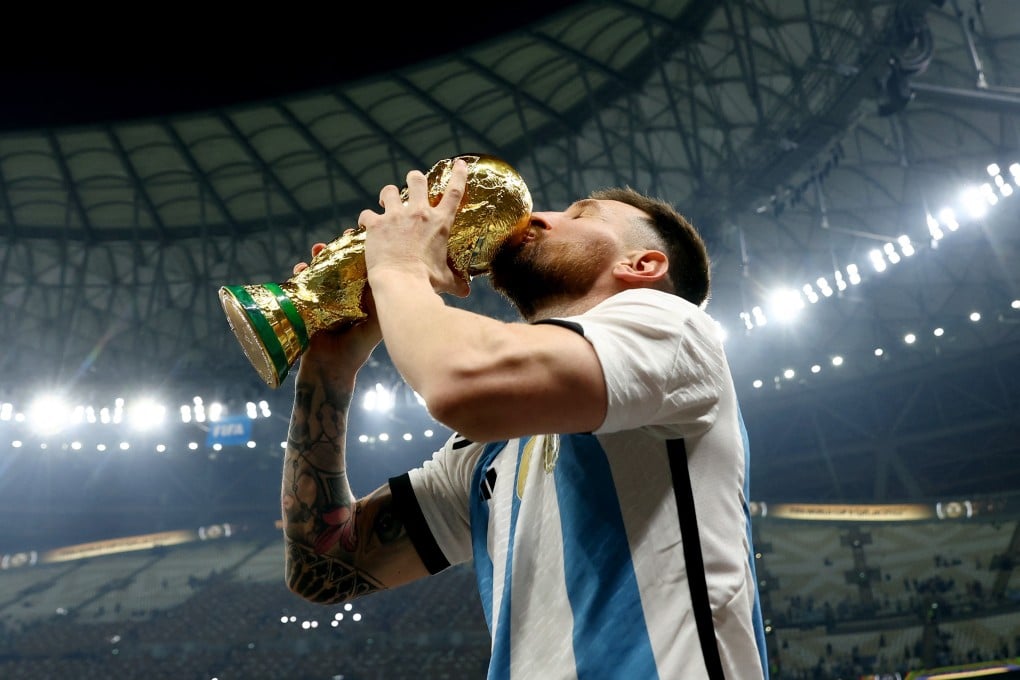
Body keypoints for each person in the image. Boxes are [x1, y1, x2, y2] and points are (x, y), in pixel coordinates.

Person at [281, 158, 769, 679]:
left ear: (642, 265)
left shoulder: (673, 327)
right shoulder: (485, 447)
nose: (537, 217)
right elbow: (324, 565)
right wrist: (330, 369)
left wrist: (397, 265)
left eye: (581, 215)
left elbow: (457, 380)